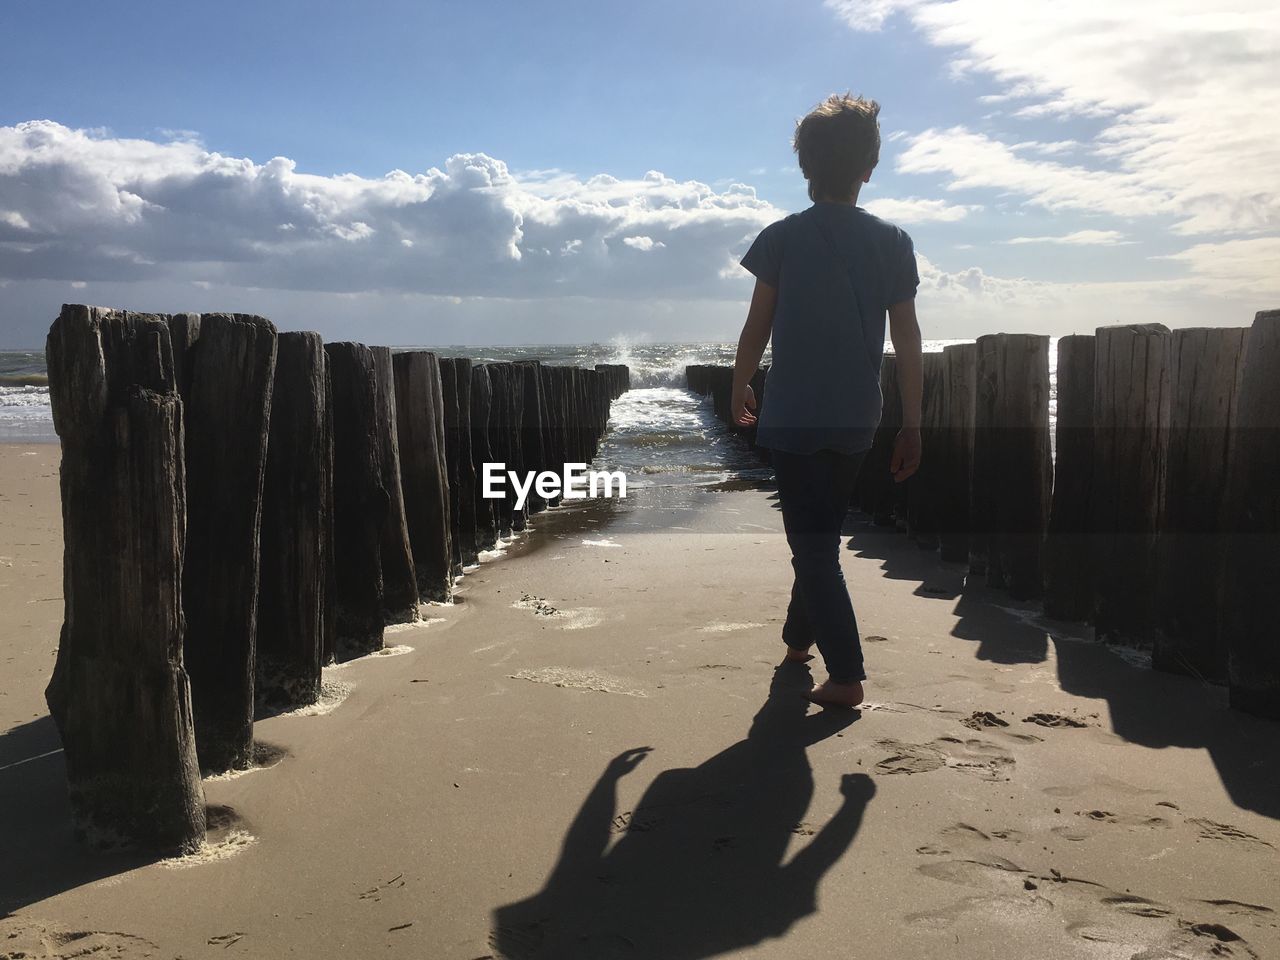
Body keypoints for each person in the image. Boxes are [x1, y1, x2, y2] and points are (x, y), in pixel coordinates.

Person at [731, 93, 924, 709]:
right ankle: (796, 640)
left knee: (812, 543)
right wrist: (912, 422)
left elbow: (757, 325)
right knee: (817, 535)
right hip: (856, 416)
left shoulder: (781, 238)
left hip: (793, 414)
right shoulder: (892, 241)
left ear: (804, 166)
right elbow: (908, 337)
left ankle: (847, 674)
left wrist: (741, 383)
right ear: (868, 168)